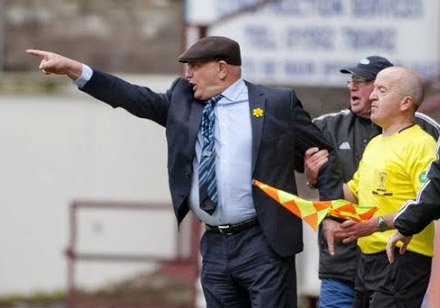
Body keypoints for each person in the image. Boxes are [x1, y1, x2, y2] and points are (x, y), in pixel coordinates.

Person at [27, 36, 343, 308]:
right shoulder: (183, 98)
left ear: (222, 69)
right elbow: (133, 97)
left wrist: (329, 215)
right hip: (215, 244)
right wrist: (74, 69)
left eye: (195, 67)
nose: (187, 74)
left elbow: (323, 156)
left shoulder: (276, 103)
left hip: (264, 240)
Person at [304, 56, 440, 308]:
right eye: (373, 88)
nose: (372, 96)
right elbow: (353, 194)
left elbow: (429, 201)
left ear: (405, 102)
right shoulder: (377, 143)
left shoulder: (422, 144)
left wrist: (379, 224)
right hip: (367, 260)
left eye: (381, 90)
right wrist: (312, 203)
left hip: (401, 255)